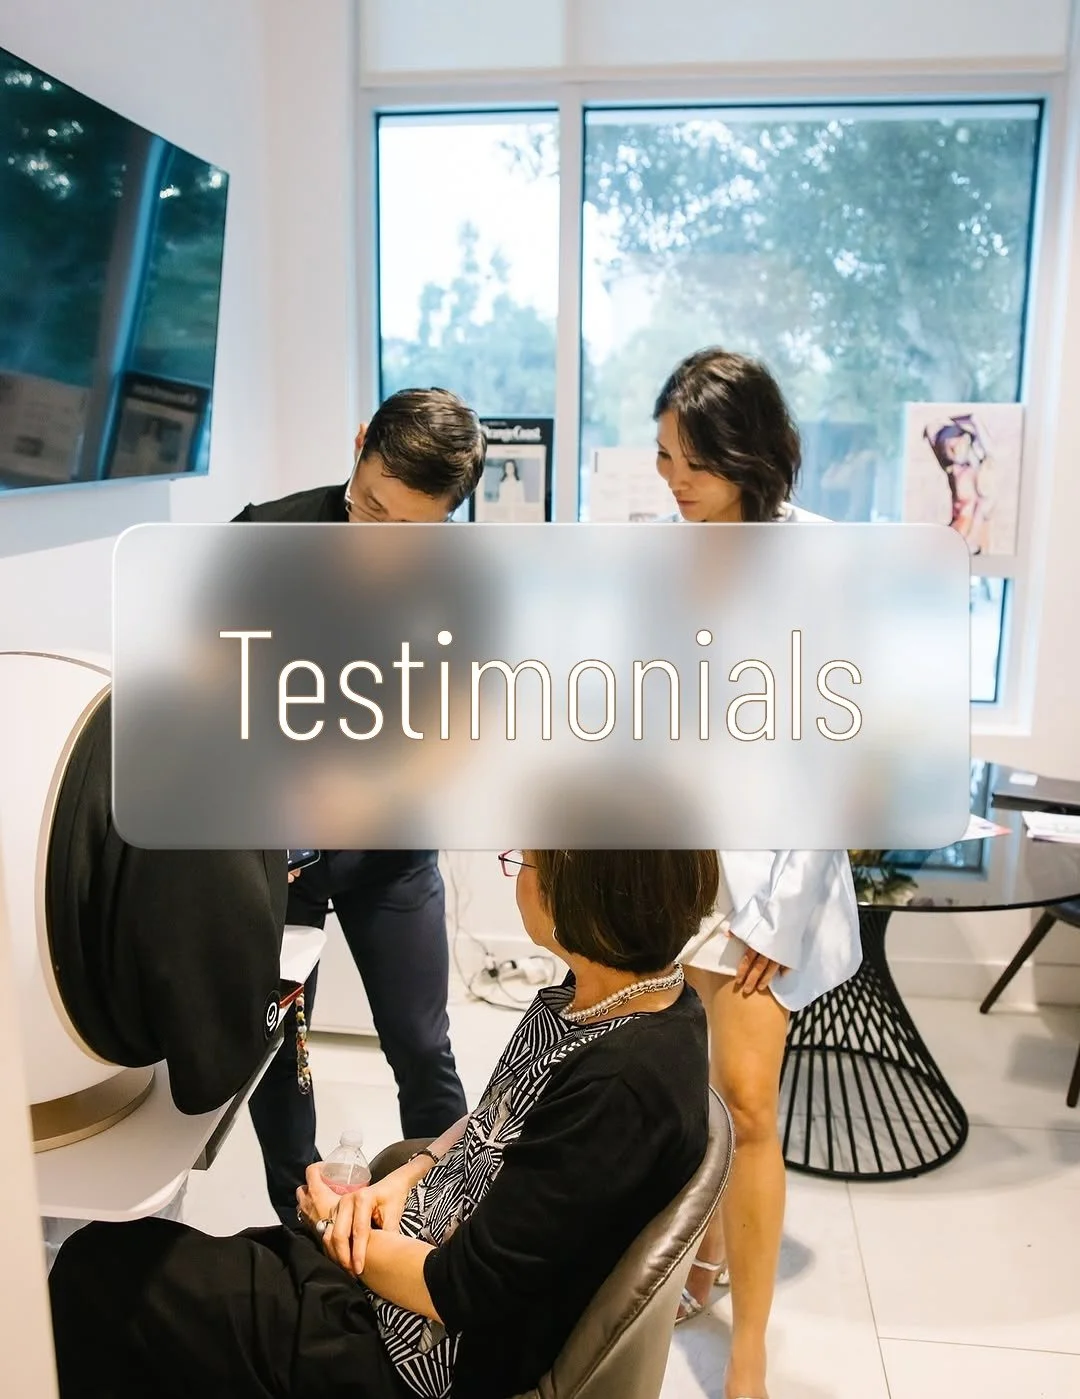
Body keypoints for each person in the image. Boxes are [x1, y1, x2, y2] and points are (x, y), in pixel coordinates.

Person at [48, 846, 716, 1399]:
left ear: (591, 893)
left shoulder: (623, 1084)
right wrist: (412, 1174)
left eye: (528, 861)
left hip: (412, 1352)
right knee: (166, 1266)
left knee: (95, 1272)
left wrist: (339, 1230)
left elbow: (457, 1290)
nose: (518, 870)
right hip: (405, 1259)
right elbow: (494, 1119)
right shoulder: (612, 997)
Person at [653, 347, 861, 1399]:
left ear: (745, 453)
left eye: (690, 458)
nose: (673, 478)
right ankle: (703, 1259)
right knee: (689, 1099)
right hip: (682, 876)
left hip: (776, 884)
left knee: (745, 1104)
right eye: (662, 457)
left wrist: (777, 917)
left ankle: (748, 1349)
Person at [234, 387, 485, 1227]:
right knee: (279, 1049)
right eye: (371, 505)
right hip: (282, 856)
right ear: (358, 446)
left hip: (392, 856)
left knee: (421, 1042)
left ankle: (443, 1220)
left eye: (410, 528)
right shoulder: (266, 538)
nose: (381, 536)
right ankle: (296, 1216)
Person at [923, 413, 992, 554]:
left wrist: (971, 422)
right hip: (964, 519)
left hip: (969, 519)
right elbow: (930, 432)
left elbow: (981, 437)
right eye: (951, 447)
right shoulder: (953, 469)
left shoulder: (975, 466)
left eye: (958, 444)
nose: (956, 449)